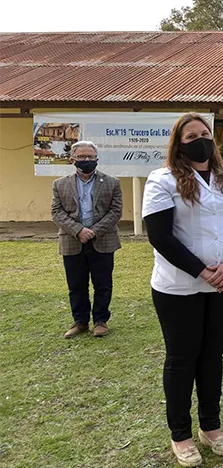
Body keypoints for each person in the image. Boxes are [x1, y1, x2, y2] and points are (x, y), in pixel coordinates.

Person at [142, 113, 223, 467]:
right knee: (181, 359)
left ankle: (212, 426)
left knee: (212, 355)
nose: (200, 140)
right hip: (178, 286)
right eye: (191, 135)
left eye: (205, 134)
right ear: (179, 144)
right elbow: (160, 235)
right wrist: (201, 270)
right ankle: (181, 435)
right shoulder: (161, 180)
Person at [50, 140, 122, 338]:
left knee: (103, 283)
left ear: (97, 159)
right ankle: (80, 322)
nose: (86, 160)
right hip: (72, 240)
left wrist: (94, 231)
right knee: (76, 285)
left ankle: (101, 321)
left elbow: (115, 211)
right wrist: (79, 230)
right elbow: (57, 212)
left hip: (103, 240)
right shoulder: (59, 184)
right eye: (82, 157)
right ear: (73, 159)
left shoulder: (112, 183)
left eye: (90, 157)